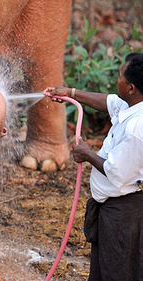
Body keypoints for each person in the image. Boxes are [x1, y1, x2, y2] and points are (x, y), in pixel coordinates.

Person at [44, 52, 143, 281]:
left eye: (120, 76)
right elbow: (107, 102)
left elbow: (116, 173)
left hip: (123, 213)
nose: (115, 80)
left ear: (131, 88)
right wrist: (70, 93)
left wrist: (88, 154)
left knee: (117, 272)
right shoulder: (132, 105)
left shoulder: (136, 130)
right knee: (102, 270)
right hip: (112, 208)